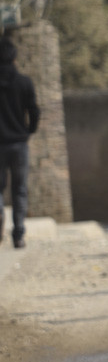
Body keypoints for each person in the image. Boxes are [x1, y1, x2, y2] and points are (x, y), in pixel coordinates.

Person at [0, 35, 39, 249]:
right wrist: (29, 131)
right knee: (19, 189)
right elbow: (34, 110)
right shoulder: (24, 82)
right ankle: (18, 235)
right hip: (19, 144)